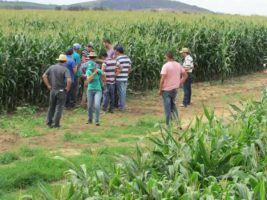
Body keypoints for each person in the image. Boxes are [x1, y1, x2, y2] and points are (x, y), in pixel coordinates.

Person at [158, 51, 188, 126]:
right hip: (174, 89)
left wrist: (160, 89)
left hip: (166, 90)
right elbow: (185, 75)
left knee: (167, 107)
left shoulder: (166, 66)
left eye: (165, 57)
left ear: (167, 57)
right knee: (173, 105)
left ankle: (167, 124)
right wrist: (179, 83)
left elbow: (162, 79)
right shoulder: (178, 65)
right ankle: (178, 123)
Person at [42, 54, 72, 128]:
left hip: (52, 90)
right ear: (65, 61)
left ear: (58, 60)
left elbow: (44, 76)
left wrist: (48, 85)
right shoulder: (65, 69)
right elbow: (69, 80)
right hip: (61, 91)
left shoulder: (52, 67)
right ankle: (56, 124)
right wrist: (68, 88)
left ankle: (49, 123)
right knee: (59, 108)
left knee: (51, 107)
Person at [86, 52, 106, 126]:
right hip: (90, 90)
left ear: (95, 67)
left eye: (92, 68)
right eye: (90, 68)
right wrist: (94, 73)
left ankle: (97, 120)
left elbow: (104, 74)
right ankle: (90, 119)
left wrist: (104, 79)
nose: (91, 69)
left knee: (97, 105)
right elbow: (88, 80)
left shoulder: (98, 70)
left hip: (98, 90)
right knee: (90, 105)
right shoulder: (88, 71)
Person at [115, 46, 132, 112]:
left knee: (121, 93)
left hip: (119, 78)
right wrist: (127, 74)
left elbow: (116, 68)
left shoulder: (118, 59)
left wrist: (115, 74)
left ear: (118, 51)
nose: (115, 52)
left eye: (116, 51)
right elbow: (130, 68)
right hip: (125, 78)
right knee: (123, 92)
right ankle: (121, 106)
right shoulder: (127, 58)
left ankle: (122, 108)